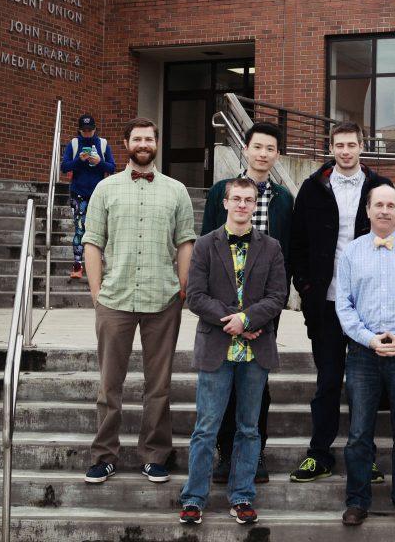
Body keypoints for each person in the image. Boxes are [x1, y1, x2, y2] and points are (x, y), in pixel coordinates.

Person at [81, 117, 195, 486]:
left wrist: (182, 287)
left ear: (156, 144)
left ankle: (155, 455)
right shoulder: (105, 189)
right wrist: (97, 294)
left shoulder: (176, 190)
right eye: (137, 138)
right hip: (115, 299)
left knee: (158, 384)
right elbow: (92, 242)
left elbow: (185, 242)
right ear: (126, 143)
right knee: (109, 384)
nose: (143, 143)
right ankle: (104, 455)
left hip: (162, 298)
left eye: (149, 138)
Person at [288, 121, 395, 483]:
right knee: (329, 380)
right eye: (339, 145)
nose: (346, 151)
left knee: (363, 384)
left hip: (369, 306)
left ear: (362, 146)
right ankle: (319, 453)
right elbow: (298, 243)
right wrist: (306, 288)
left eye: (352, 144)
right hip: (327, 302)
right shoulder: (313, 187)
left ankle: (363, 456)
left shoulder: (380, 187)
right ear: (331, 147)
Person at [179, 177, 288, 526]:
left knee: (249, 428)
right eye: (236, 199)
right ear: (224, 203)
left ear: (255, 205)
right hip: (217, 348)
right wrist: (232, 320)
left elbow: (277, 295)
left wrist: (248, 318)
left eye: (248, 200)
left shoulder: (271, 247)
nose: (242, 205)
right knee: (206, 427)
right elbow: (195, 295)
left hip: (255, 351)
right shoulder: (205, 245)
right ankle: (194, 498)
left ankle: (242, 496)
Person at [201, 122, 293, 485]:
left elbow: (288, 253)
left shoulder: (283, 199)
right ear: (246, 149)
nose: (263, 154)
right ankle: (225, 453)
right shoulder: (221, 192)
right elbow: (207, 242)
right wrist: (219, 307)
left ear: (276, 154)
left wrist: (268, 307)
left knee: (258, 380)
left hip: (265, 305)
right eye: (258, 147)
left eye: (271, 148)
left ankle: (255, 455)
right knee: (224, 377)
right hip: (222, 304)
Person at [336, 184, 395, 527]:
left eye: (391, 205)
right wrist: (368, 338)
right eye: (379, 205)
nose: (385, 211)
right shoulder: (351, 252)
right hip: (363, 354)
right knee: (360, 432)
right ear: (368, 210)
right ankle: (357, 500)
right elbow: (344, 304)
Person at [60, 114, 116, 279]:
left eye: (90, 130)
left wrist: (99, 162)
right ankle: (77, 265)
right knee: (79, 228)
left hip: (99, 195)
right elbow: (64, 167)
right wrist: (79, 160)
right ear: (79, 130)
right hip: (78, 193)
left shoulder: (103, 144)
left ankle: (100, 265)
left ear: (95, 129)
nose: (87, 133)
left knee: (101, 229)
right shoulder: (74, 143)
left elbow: (112, 168)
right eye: (84, 130)